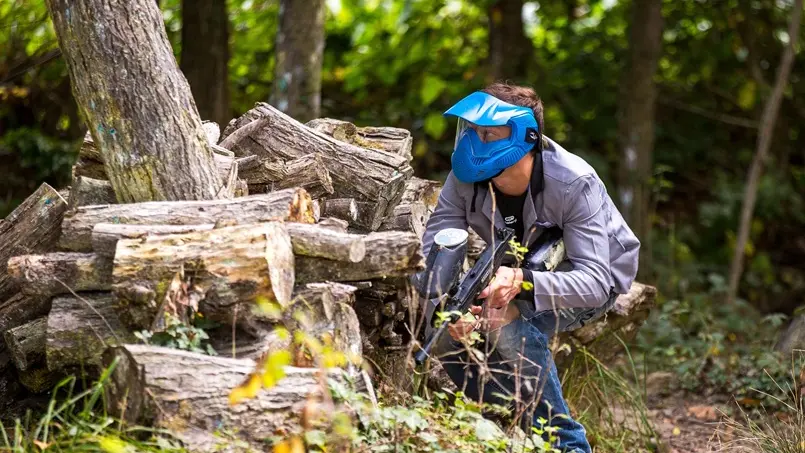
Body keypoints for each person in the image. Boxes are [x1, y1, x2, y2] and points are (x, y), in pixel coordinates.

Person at [419, 82, 640, 453]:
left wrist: (522, 282)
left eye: (488, 133)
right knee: (443, 334)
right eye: (471, 131)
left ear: (525, 136)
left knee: (508, 323)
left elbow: (596, 281)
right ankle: (507, 421)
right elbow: (438, 240)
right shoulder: (464, 176)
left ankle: (569, 444)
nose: (474, 141)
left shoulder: (574, 182)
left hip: (588, 274)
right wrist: (450, 305)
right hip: (515, 264)